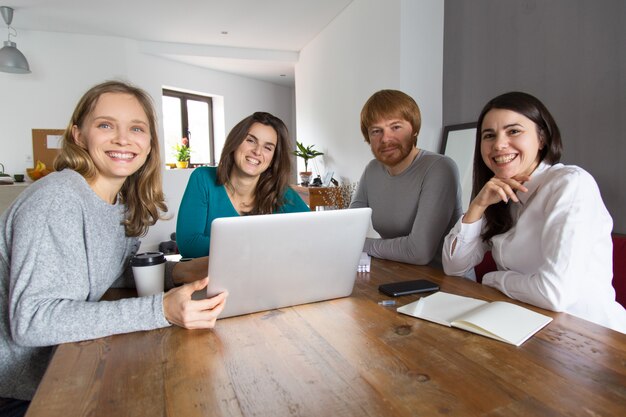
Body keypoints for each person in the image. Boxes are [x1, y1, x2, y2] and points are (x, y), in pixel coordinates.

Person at [0, 81, 228, 415]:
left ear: (149, 143)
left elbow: (112, 270)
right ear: (78, 136)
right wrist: (161, 310)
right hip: (16, 393)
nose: (123, 139)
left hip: (55, 372)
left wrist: (180, 271)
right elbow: (32, 320)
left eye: (137, 128)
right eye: (105, 125)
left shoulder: (118, 202)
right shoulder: (57, 199)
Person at [442, 91, 626, 333]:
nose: (499, 144)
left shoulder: (570, 184)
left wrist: (493, 279)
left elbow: (554, 294)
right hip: (525, 327)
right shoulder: (500, 193)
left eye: (514, 131)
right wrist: (478, 205)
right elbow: (454, 267)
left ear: (542, 138)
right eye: (489, 135)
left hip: (590, 338)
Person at [349, 89, 462, 266]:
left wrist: (362, 245)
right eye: (376, 131)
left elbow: (419, 252)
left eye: (395, 127)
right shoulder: (372, 170)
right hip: (396, 271)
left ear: (414, 130)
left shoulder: (439, 168)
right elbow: (349, 228)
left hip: (443, 282)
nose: (386, 139)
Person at [176, 112, 310, 258]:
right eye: (251, 140)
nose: (257, 151)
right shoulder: (202, 179)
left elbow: (314, 234)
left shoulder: (282, 193)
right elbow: (189, 245)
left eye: (268, 148)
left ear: (272, 159)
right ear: (235, 142)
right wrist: (261, 246)